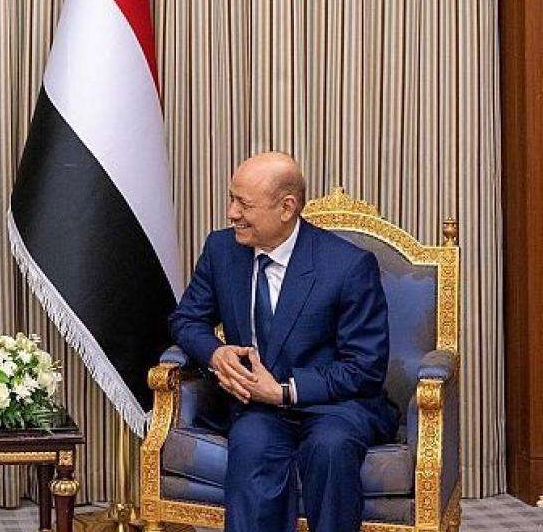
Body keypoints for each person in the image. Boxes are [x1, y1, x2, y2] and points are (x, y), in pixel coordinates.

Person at [168, 152, 398, 532]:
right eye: (232, 199)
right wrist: (216, 352)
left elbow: (364, 366)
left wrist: (284, 392)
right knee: (251, 445)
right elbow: (187, 319)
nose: (231, 213)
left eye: (244, 204)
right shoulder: (222, 250)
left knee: (330, 449)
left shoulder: (348, 266)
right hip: (257, 408)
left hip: (334, 405)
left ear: (287, 208)